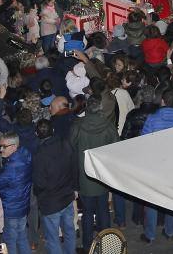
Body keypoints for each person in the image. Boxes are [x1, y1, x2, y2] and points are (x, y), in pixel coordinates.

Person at [69, 95, 118, 250]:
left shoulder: (77, 126)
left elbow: (70, 146)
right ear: (100, 109)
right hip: (102, 176)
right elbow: (117, 147)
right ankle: (107, 245)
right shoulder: (108, 125)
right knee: (103, 210)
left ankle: (87, 245)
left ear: (86, 109)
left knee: (88, 213)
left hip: (85, 176)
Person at [140, 89, 173, 243]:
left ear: (163, 101)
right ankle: (170, 231)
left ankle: (150, 234)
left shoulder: (153, 118)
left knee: (152, 199)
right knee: (170, 198)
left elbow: (143, 141)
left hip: (155, 165)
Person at [32, 120, 77, 254]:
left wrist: (39, 195)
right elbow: (75, 167)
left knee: (53, 238)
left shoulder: (39, 155)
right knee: (69, 231)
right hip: (67, 197)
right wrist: (74, 187)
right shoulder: (66, 144)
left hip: (50, 203)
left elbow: (39, 183)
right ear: (53, 130)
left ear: (37, 134)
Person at [0, 132, 32, 254]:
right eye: (0, 146)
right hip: (22, 207)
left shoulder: (11, 168)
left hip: (10, 210)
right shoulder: (25, 154)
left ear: (14, 147)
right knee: (22, 238)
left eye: (4, 146)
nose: (1, 149)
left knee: (10, 243)